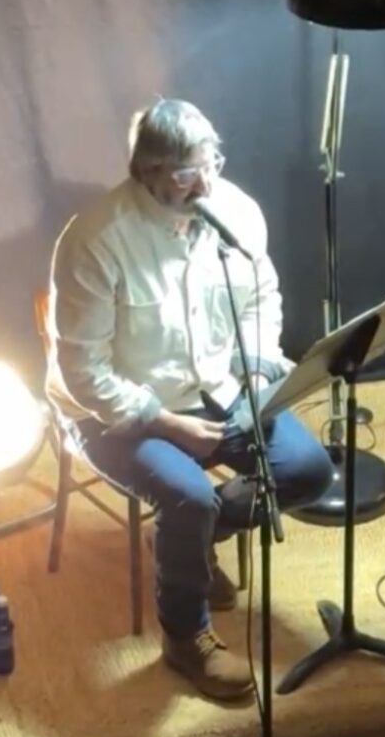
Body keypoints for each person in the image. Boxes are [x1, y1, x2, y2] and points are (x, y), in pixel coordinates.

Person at [45, 99, 334, 699]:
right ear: (145, 171)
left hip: (218, 390)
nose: (205, 184)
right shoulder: (96, 240)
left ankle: (188, 543)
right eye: (185, 174)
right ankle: (185, 637)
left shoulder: (236, 210)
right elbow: (82, 372)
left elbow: (262, 297)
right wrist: (166, 424)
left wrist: (257, 367)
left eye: (212, 163)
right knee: (189, 496)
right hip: (114, 411)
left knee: (308, 470)